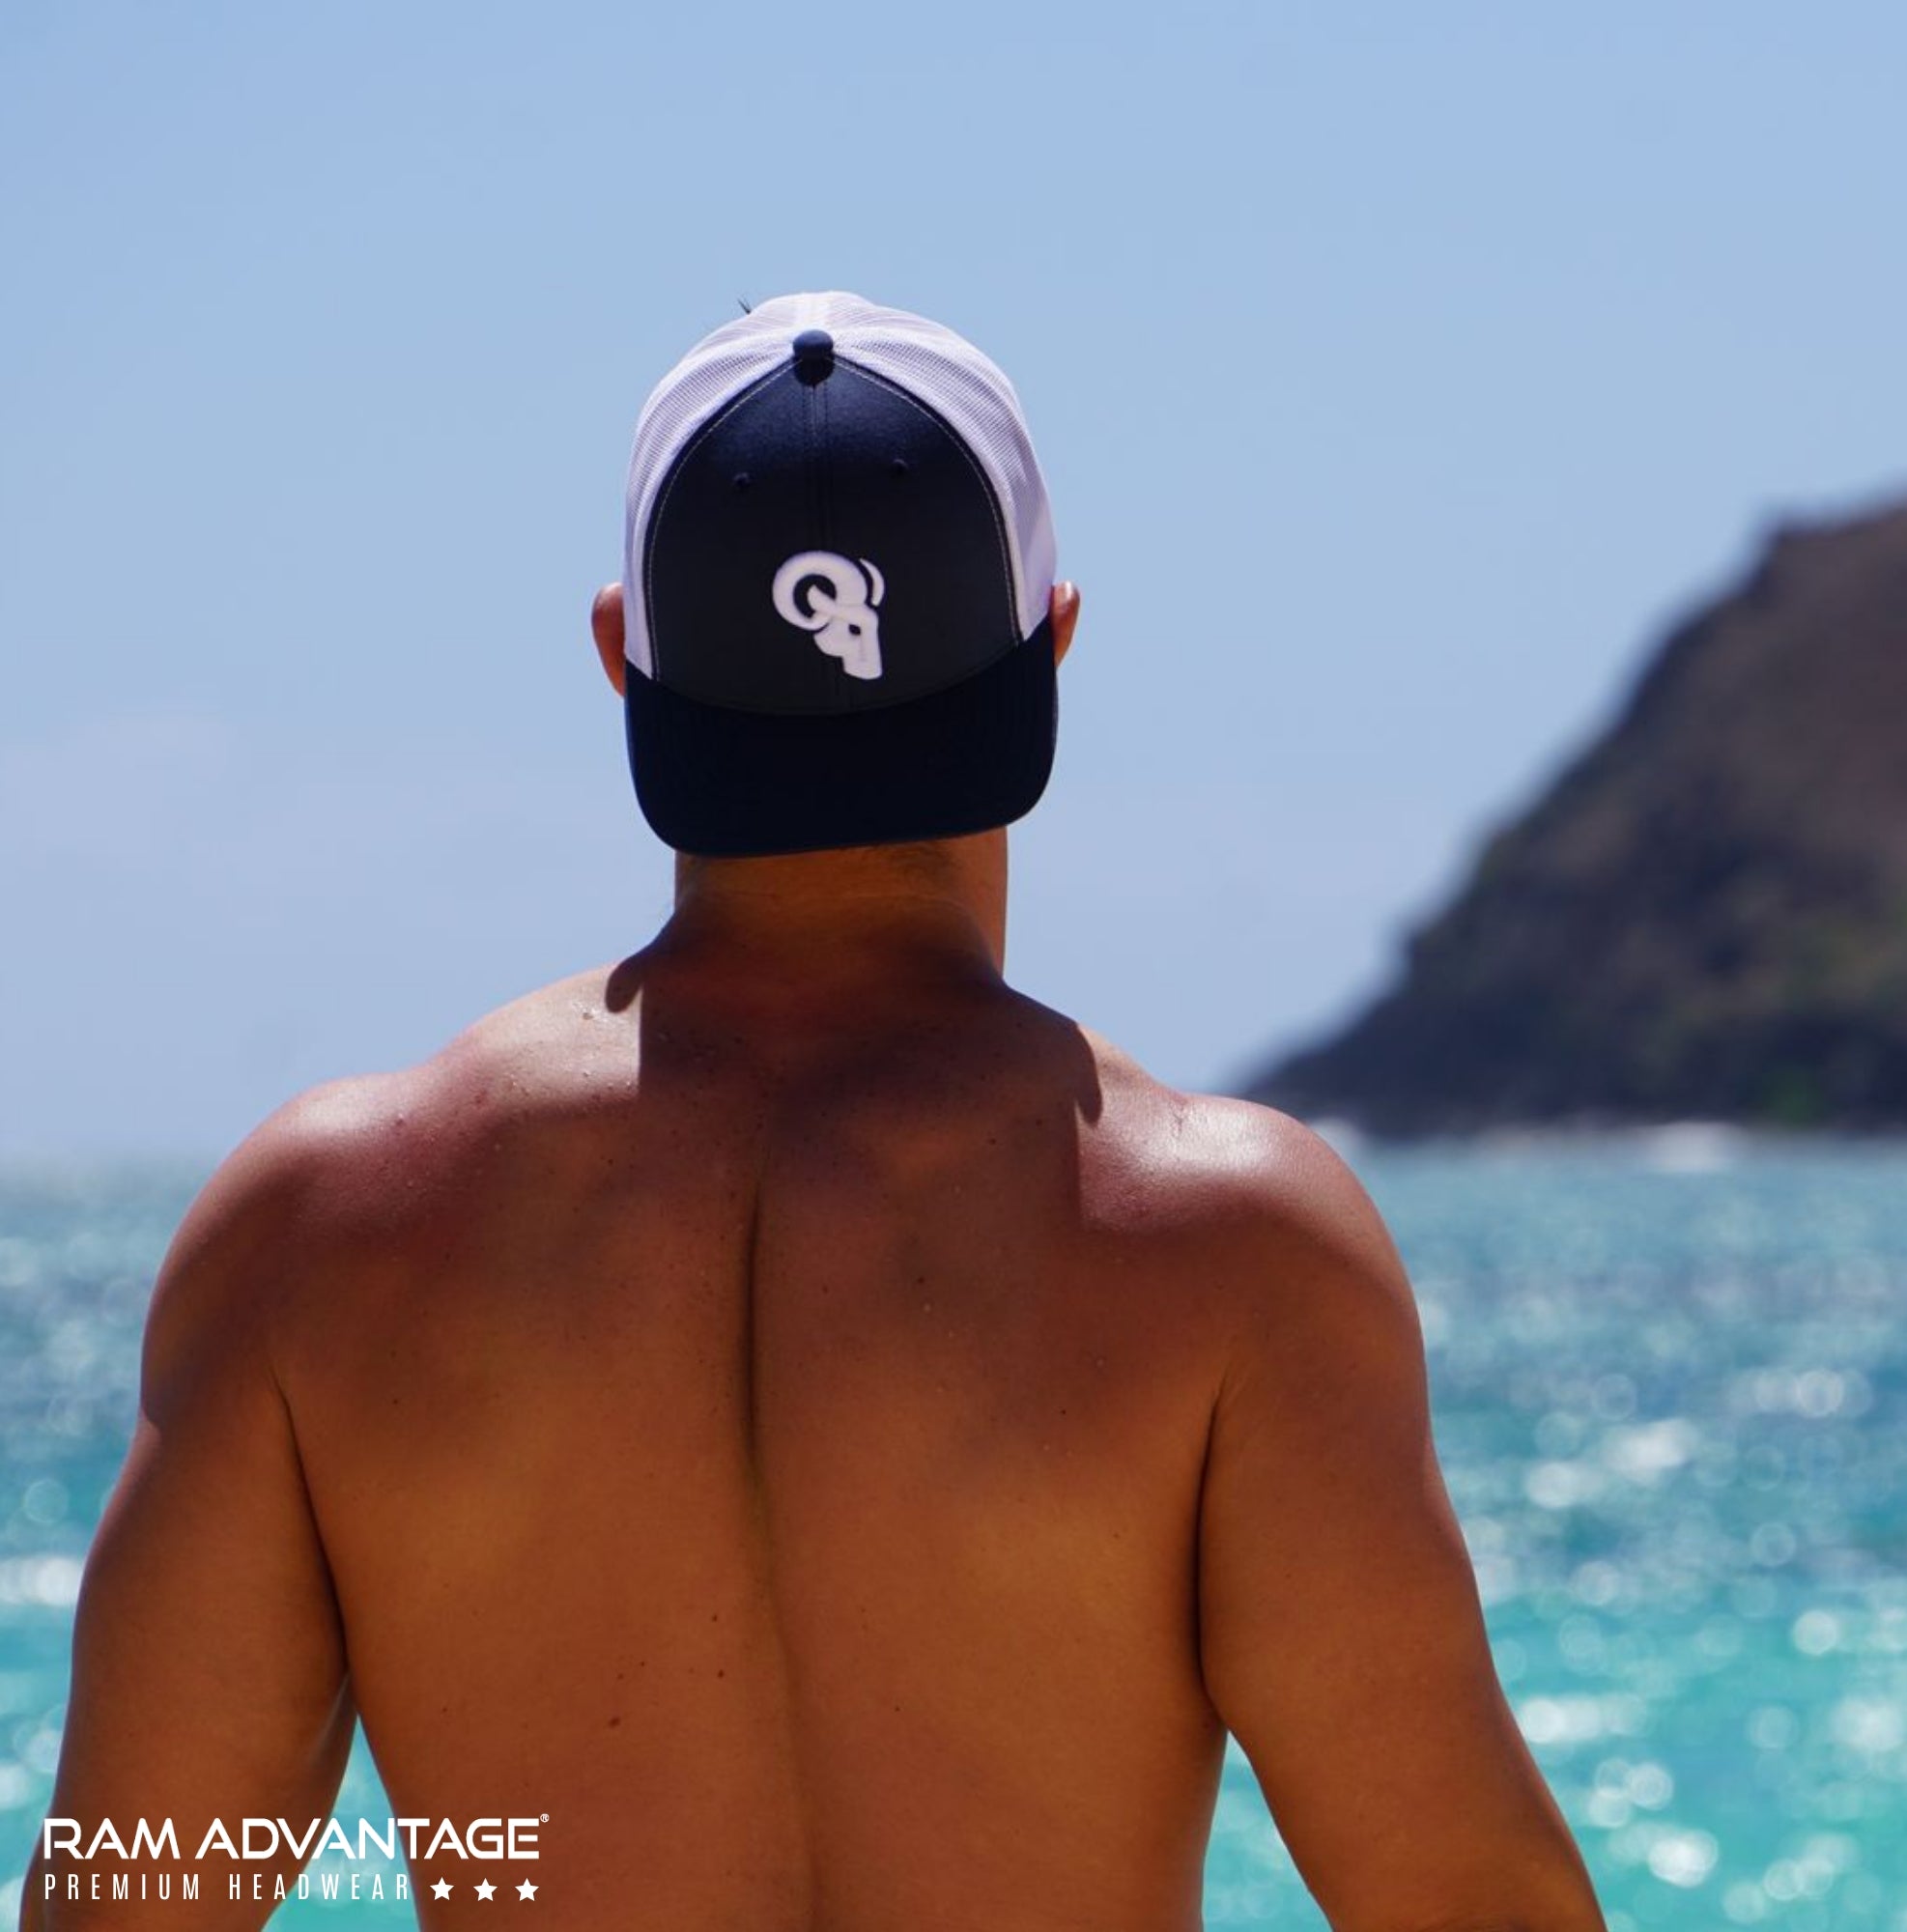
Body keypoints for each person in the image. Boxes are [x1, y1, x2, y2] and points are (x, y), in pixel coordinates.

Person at [25, 294, 1605, 1931]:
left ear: (619, 653)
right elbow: (1466, 1900)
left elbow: (132, 1897)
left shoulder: (321, 1225)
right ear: (1052, 638)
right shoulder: (1228, 1240)